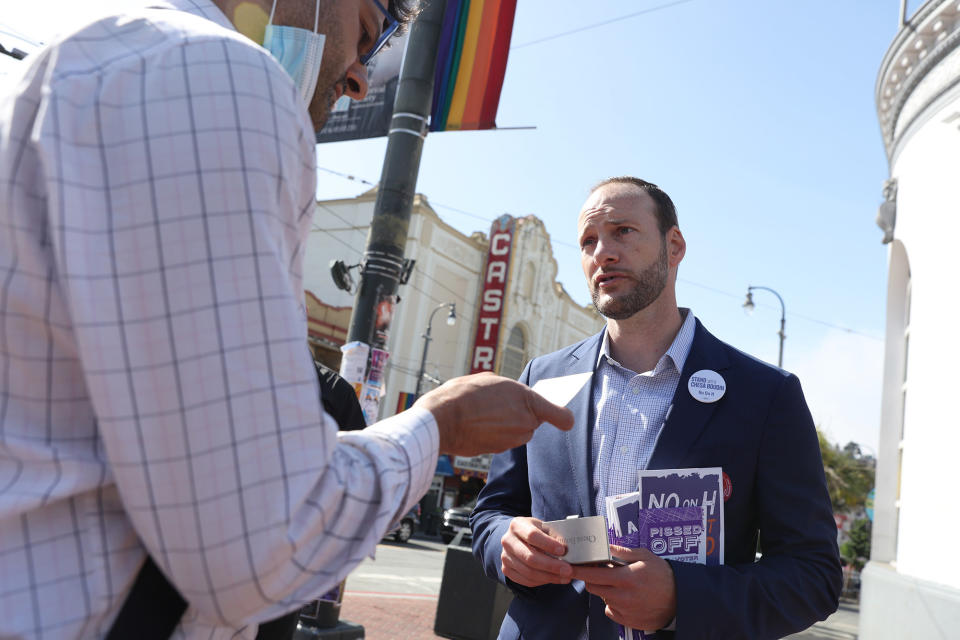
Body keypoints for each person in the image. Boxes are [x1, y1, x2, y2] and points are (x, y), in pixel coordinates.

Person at [0, 1, 574, 638]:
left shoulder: (87, 58)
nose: (359, 77)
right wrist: (440, 423)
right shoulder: (221, 74)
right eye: (366, 33)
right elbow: (263, 543)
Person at [471, 177, 842, 639]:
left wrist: (680, 599)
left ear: (675, 246)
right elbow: (491, 515)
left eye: (622, 231)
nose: (602, 252)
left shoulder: (766, 395)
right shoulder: (541, 379)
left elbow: (815, 576)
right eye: (588, 241)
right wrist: (506, 546)